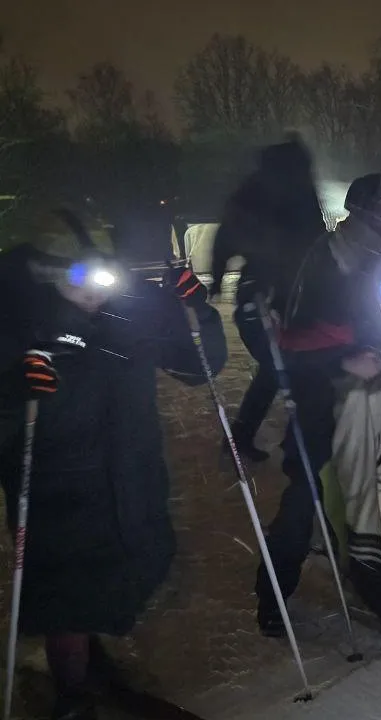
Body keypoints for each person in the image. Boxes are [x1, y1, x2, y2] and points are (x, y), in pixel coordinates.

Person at [1, 211, 226, 719]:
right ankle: (70, 697)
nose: (95, 288)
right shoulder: (16, 322)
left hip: (130, 477)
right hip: (58, 494)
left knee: (117, 584)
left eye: (102, 271)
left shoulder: (126, 313)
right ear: (46, 272)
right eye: (80, 274)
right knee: (66, 604)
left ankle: (98, 664)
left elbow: (198, 366)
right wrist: (12, 392)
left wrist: (198, 313)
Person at [255, 161, 381, 636]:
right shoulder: (328, 259)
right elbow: (290, 340)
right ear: (377, 218)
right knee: (306, 498)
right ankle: (274, 593)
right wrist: (343, 360)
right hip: (321, 402)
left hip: (375, 402)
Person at [209, 136, 328, 461]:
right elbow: (227, 237)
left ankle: (254, 439)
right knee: (281, 366)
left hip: (293, 293)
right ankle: (283, 443)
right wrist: (220, 278)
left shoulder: (297, 193)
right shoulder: (258, 194)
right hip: (264, 293)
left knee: (281, 367)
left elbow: (314, 240)